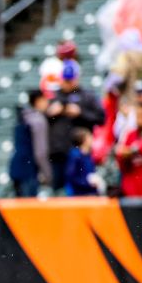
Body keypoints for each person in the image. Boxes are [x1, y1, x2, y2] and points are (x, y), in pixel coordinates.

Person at [46, 60, 105, 192]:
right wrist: (50, 113)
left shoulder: (86, 96)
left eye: (71, 80)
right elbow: (41, 120)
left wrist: (80, 112)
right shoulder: (55, 96)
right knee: (59, 192)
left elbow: (101, 118)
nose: (68, 83)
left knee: (83, 187)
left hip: (81, 153)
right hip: (59, 154)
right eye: (66, 80)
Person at [9, 89, 51, 198]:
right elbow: (40, 152)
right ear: (38, 101)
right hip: (29, 170)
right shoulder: (38, 120)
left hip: (16, 168)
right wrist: (48, 174)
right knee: (28, 210)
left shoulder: (23, 117)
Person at [65, 128, 103, 196]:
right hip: (79, 194)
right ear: (83, 140)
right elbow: (71, 176)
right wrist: (87, 183)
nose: (92, 138)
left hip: (90, 192)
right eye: (89, 137)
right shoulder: (75, 155)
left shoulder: (88, 154)